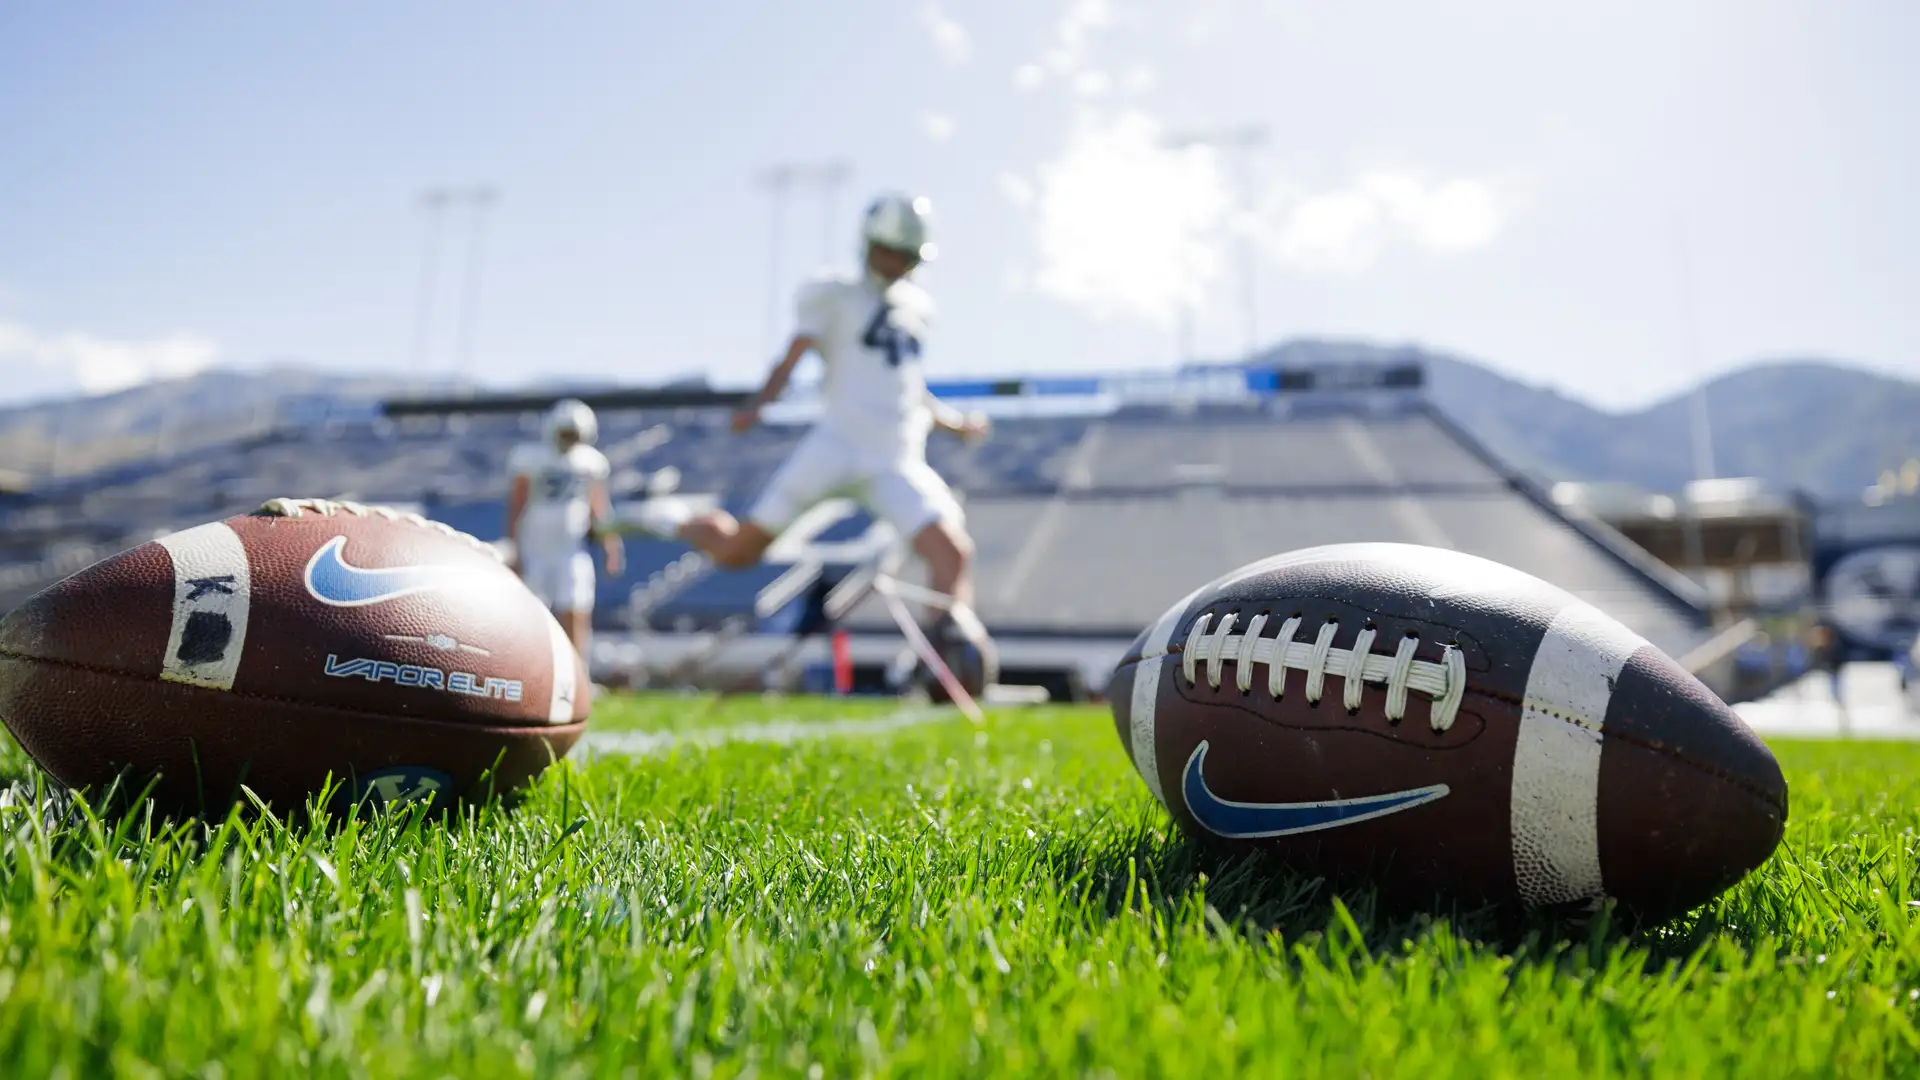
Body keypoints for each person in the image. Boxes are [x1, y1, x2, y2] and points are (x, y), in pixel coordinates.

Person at [639, 193, 992, 663]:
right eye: (891, 251)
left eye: (906, 257)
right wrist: (760, 404)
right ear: (869, 244)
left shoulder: (919, 308)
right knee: (738, 552)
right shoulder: (834, 292)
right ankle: (679, 520)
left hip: (896, 459)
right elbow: (793, 354)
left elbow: (908, 386)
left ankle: (948, 669)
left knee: (953, 552)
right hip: (836, 447)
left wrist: (953, 425)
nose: (896, 264)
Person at [506, 398, 624, 658]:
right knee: (530, 614)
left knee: (576, 610)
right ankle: (530, 671)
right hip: (534, 546)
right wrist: (515, 549)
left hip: (571, 548)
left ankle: (577, 675)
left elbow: (598, 508)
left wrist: (611, 545)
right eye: (565, 432)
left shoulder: (591, 463)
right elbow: (517, 505)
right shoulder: (531, 459)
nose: (569, 439)